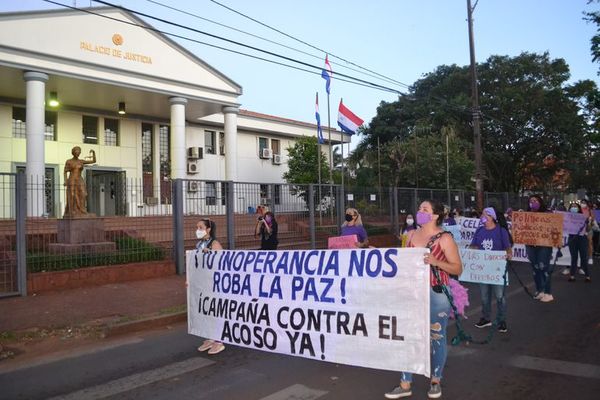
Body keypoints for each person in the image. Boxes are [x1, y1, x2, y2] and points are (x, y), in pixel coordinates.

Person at [385, 200, 462, 400]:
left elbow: (457, 268)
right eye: (419, 208)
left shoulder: (444, 239)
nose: (419, 211)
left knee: (436, 335)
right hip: (411, 293)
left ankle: (436, 380)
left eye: (424, 209)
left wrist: (436, 261)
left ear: (435, 215)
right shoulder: (409, 235)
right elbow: (401, 261)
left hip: (436, 293)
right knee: (407, 335)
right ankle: (405, 383)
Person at [470, 206, 512, 333]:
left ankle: (501, 320)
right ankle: (486, 318)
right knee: (484, 296)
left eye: (485, 215)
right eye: (482, 215)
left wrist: (508, 254)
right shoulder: (479, 231)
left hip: (497, 269)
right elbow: (473, 245)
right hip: (482, 269)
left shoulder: (501, 231)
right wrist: (473, 250)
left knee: (500, 296)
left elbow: (508, 247)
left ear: (492, 217)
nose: (482, 217)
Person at [194, 218, 226, 355]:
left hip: (214, 284)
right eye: (197, 227)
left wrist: (211, 254)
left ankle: (219, 341)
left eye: (200, 227)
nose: (197, 230)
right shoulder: (199, 244)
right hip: (203, 283)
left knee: (215, 311)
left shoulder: (214, 244)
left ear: (208, 229)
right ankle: (210, 337)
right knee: (206, 310)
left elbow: (222, 263)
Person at [524, 195, 555, 303]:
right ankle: (540, 290)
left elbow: (554, 227)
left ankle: (548, 292)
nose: (533, 202)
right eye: (531, 201)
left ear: (540, 202)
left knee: (544, 268)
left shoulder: (548, 214)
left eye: (535, 200)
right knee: (535, 269)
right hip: (530, 246)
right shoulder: (526, 215)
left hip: (544, 246)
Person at [63, 146, 96, 217]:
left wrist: (93, 153)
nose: (78, 153)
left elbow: (93, 161)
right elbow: (65, 171)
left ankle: (82, 210)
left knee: (83, 194)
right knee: (72, 195)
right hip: (72, 179)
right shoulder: (69, 161)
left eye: (79, 152)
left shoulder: (81, 161)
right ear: (73, 152)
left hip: (79, 179)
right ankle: (72, 211)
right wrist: (65, 181)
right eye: (76, 152)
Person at [566, 203, 591, 283]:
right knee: (574, 258)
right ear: (569, 209)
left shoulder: (583, 217)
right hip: (572, 239)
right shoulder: (567, 217)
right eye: (572, 207)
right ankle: (572, 276)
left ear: (578, 208)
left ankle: (587, 276)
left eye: (575, 207)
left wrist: (588, 222)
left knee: (584, 258)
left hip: (582, 239)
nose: (573, 208)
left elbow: (588, 229)